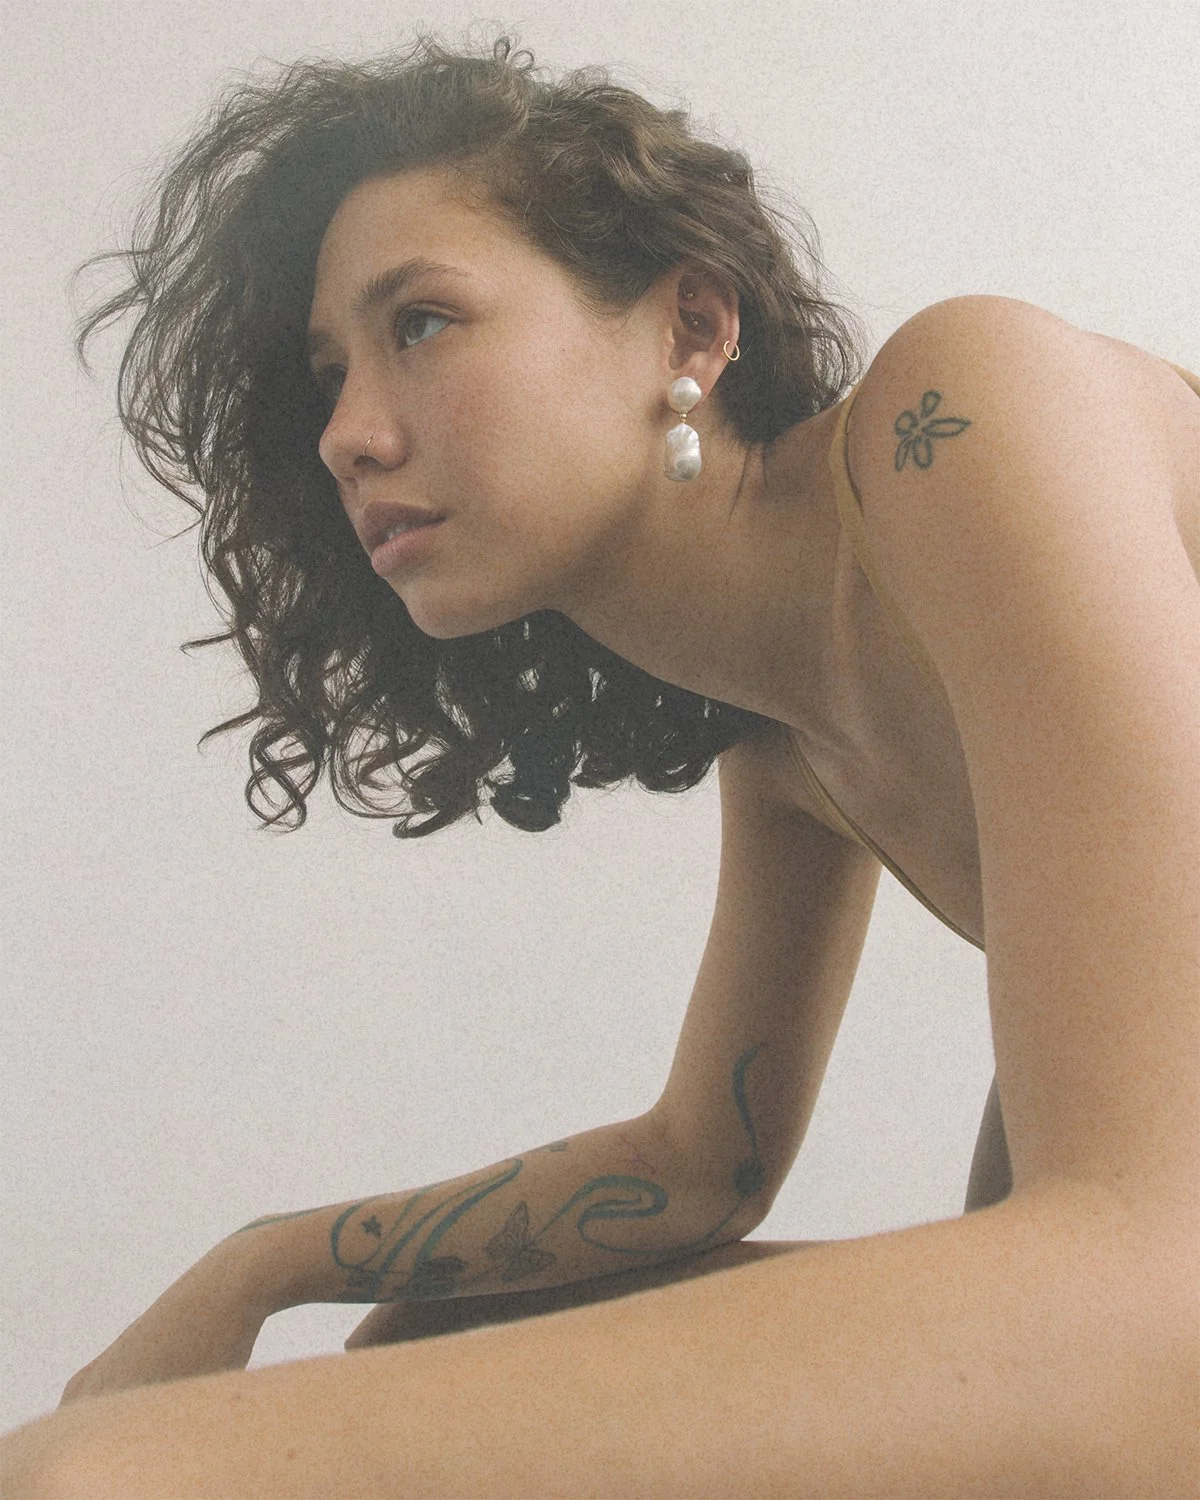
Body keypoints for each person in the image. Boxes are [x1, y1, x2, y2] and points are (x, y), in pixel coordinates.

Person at [3, 32, 1196, 1498]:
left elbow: (1157, 1291)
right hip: (1147, 1258)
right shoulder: (791, 754)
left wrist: (146, 1459)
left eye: (422, 323)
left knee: (104, 1476)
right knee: (442, 1332)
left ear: (689, 329)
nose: (347, 436)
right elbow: (702, 1163)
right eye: (329, 377)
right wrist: (262, 1264)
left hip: (1157, 1280)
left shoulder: (967, 419)